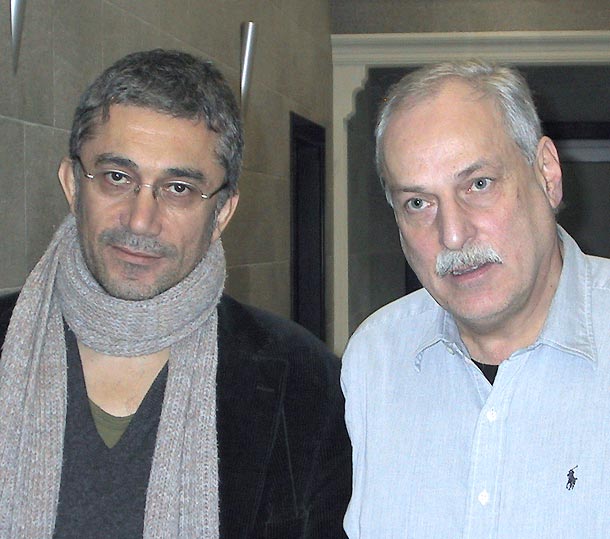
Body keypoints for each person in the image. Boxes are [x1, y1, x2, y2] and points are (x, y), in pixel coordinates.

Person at [0, 49, 350, 539]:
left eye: (179, 188)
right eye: (117, 177)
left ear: (222, 213)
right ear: (73, 185)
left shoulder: (307, 384)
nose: (141, 220)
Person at [341, 60, 610, 538]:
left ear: (547, 174)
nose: (452, 234)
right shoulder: (374, 359)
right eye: (418, 203)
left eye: (478, 184)